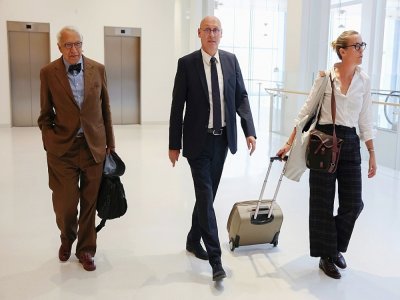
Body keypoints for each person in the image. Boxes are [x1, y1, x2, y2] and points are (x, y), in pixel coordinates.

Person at [277, 30, 377, 279]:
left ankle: (332, 247)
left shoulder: (364, 80)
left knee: (353, 204)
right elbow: (306, 111)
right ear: (343, 51)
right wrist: (289, 144)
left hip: (351, 142)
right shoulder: (325, 78)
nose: (362, 49)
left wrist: (372, 152)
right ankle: (326, 256)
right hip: (323, 141)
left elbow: (365, 118)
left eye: (362, 45)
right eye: (357, 45)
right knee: (321, 203)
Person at [168, 16, 256, 281]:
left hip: (222, 140)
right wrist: (174, 144)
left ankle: (193, 239)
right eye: (207, 29)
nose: (211, 34)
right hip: (197, 142)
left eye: (216, 29)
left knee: (208, 197)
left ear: (221, 34)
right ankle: (216, 260)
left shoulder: (230, 60)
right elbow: (177, 106)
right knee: (206, 197)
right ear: (199, 33)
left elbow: (241, 95)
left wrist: (249, 130)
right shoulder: (187, 64)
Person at [38, 26, 115, 271]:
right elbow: (44, 115)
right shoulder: (48, 73)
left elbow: (106, 110)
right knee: (66, 204)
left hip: (93, 147)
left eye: (78, 44)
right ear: (59, 47)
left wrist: (109, 144)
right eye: (68, 45)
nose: (74, 50)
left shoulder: (98, 69)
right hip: (63, 150)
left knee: (90, 202)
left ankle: (86, 250)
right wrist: (50, 141)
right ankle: (66, 238)